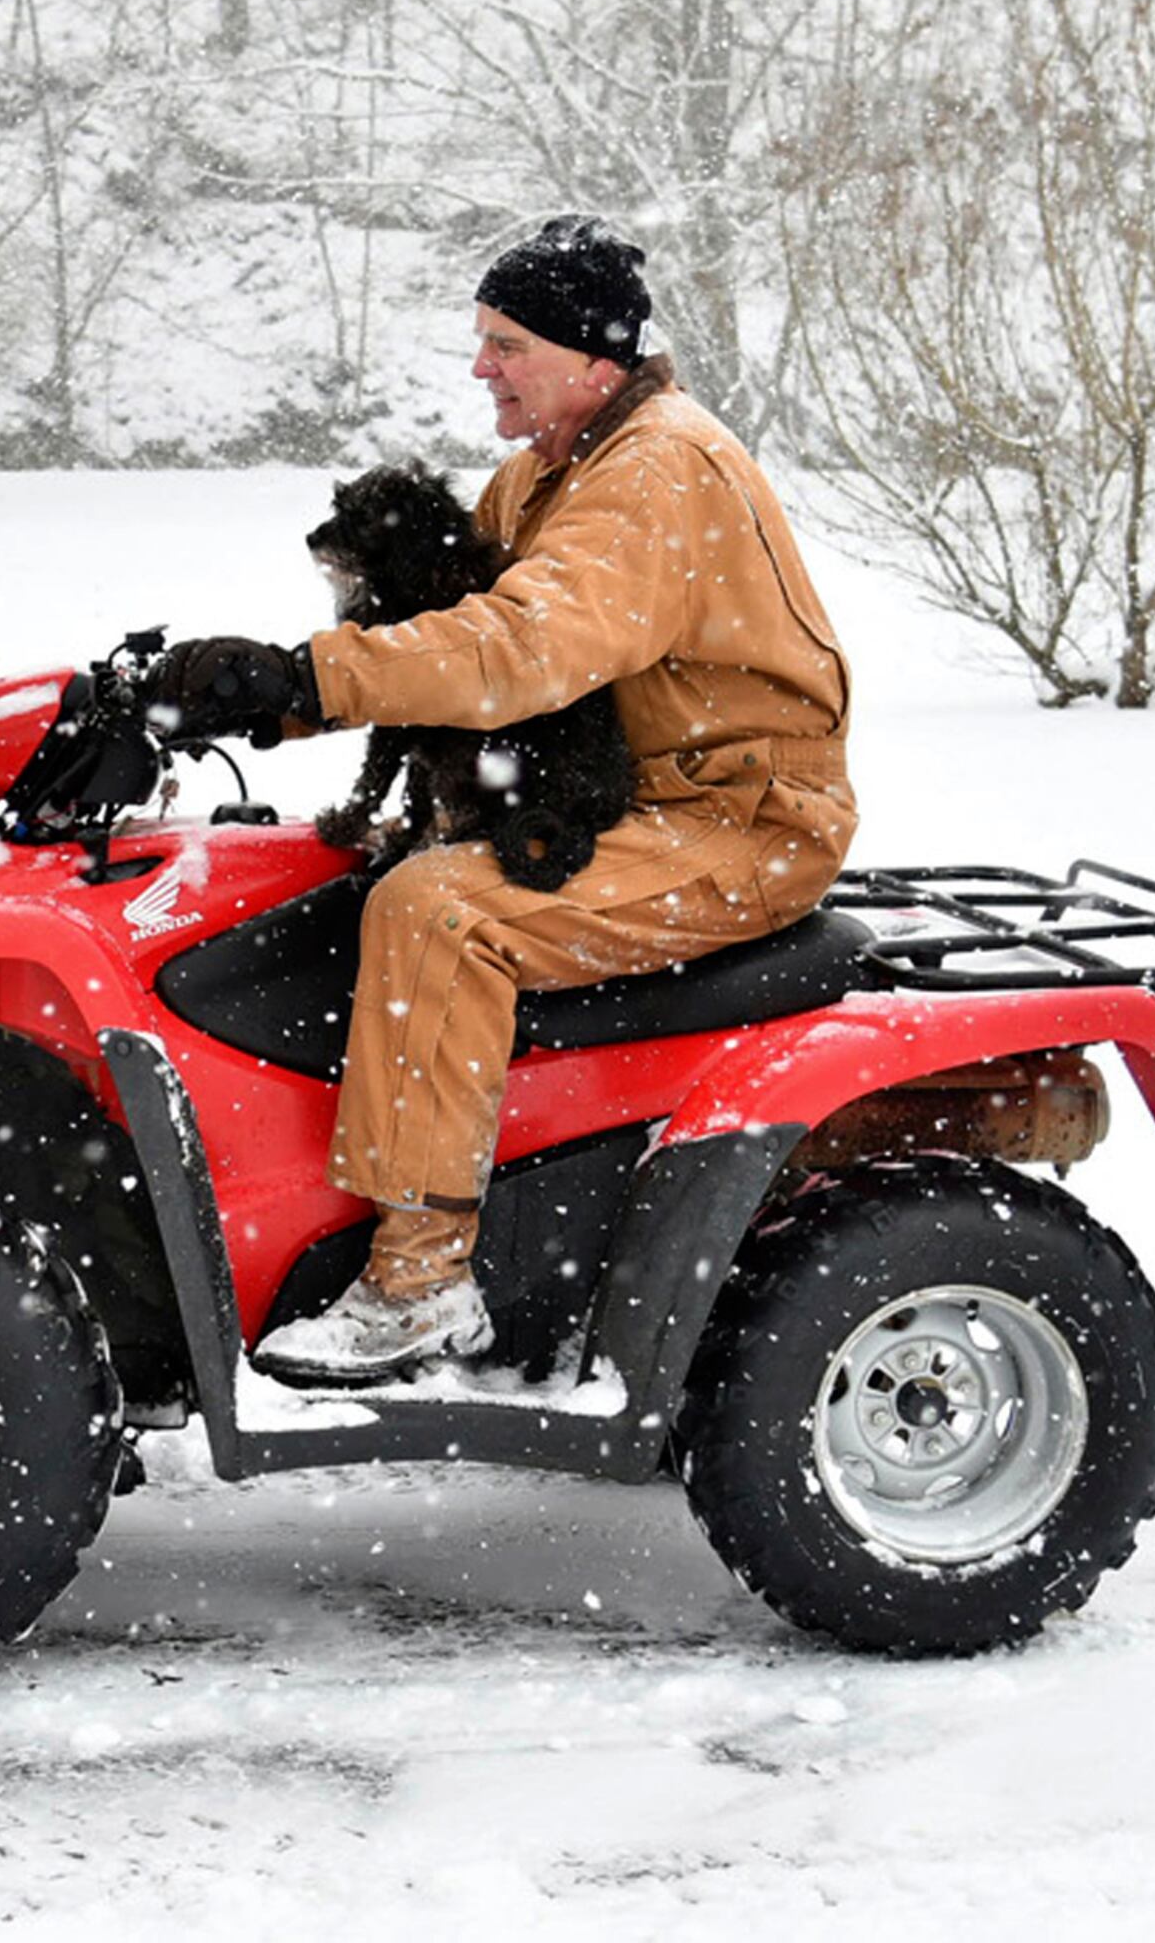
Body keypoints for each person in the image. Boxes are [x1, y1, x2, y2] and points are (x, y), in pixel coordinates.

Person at [145, 216, 856, 1385]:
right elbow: (437, 627)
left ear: (596, 361)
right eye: (482, 339)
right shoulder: (541, 473)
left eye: (507, 343)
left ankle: (420, 1281)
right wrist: (268, 697)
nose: (482, 367)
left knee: (439, 912)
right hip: (630, 802)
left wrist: (316, 675)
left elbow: (517, 653)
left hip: (734, 824)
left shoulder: (655, 470)